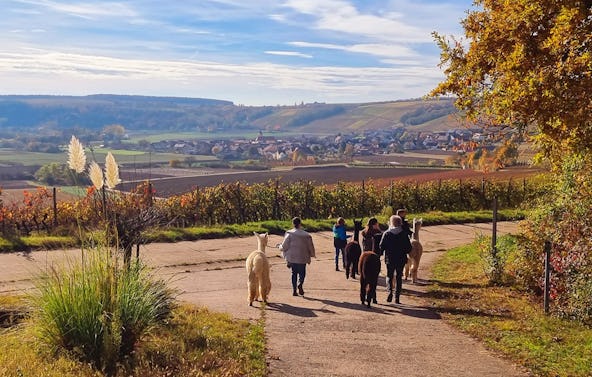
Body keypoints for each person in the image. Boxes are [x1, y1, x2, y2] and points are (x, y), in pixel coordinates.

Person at [279, 217, 316, 296]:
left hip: (292, 258)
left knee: (294, 273)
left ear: (293, 224)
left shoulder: (289, 234)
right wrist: (312, 254)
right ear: (300, 224)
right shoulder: (306, 235)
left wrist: (279, 247)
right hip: (303, 257)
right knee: (302, 273)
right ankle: (300, 284)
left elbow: (284, 246)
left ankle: (294, 290)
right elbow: (310, 246)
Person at [379, 215, 412, 304]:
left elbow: (381, 246)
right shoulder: (404, 234)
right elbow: (409, 248)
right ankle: (397, 297)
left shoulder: (387, 233)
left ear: (391, 223)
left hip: (390, 258)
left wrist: (381, 254)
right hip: (401, 259)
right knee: (398, 277)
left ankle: (390, 291)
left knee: (389, 276)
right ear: (400, 223)